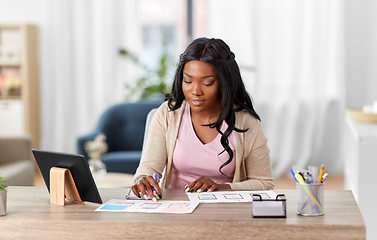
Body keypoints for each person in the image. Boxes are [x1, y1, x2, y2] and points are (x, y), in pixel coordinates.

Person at [131, 37, 273, 201]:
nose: (195, 91)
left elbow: (264, 184)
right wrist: (142, 179)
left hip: (224, 212)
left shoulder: (246, 122)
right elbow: (148, 167)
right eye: (188, 81)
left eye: (207, 83)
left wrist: (220, 188)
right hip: (175, 208)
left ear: (224, 83)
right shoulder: (168, 114)